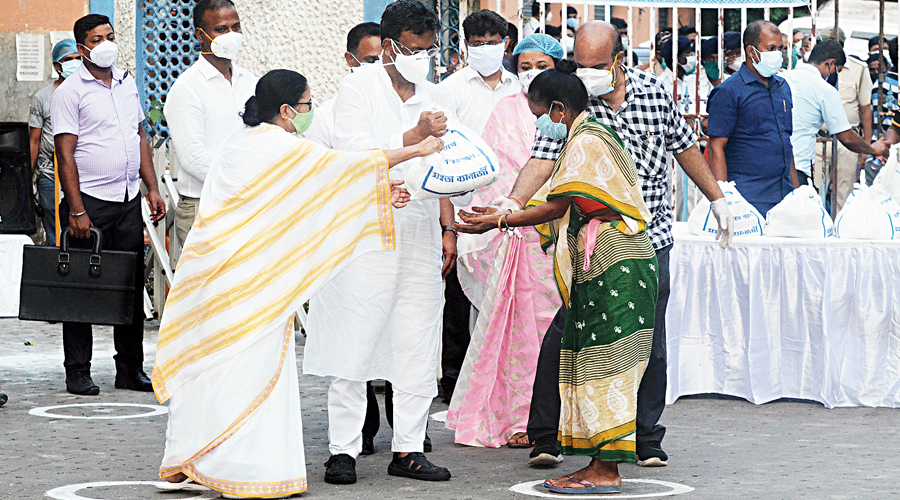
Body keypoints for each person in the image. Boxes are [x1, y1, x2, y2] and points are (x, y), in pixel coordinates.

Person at [154, 69, 441, 498]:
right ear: (287, 110)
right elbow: (342, 167)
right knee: (247, 370)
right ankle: (241, 467)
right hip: (247, 280)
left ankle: (189, 456)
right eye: (307, 105)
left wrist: (379, 193)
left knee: (208, 366)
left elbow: (316, 191)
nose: (310, 112)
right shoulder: (277, 146)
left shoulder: (243, 141)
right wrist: (417, 148)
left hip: (217, 273)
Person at [460, 21, 732, 469]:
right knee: (565, 332)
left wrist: (717, 200)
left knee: (649, 340)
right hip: (587, 243)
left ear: (620, 60)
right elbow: (543, 160)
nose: (587, 75)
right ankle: (546, 435)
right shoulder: (569, 104)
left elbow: (685, 149)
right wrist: (511, 201)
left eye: (597, 67)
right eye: (580, 65)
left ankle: (645, 438)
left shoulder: (653, 93)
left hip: (647, 239)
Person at [458, 62, 659, 494]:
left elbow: (555, 208)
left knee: (608, 364)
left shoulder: (586, 141)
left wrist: (500, 221)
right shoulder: (587, 135)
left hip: (615, 266)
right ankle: (598, 463)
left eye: (539, 118)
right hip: (609, 262)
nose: (539, 128)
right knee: (593, 362)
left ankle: (606, 470)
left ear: (557, 109)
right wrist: (506, 213)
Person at [304, 0, 455, 485]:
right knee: (355, 339)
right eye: (413, 49)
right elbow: (352, 155)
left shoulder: (435, 93)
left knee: (416, 342)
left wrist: (453, 214)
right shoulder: (357, 89)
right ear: (389, 47)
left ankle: (408, 448)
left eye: (429, 50)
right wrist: (413, 137)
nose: (422, 58)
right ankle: (342, 451)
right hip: (364, 236)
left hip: (418, 233)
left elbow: (449, 163)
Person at [445, 33, 564, 449]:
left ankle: (561, 420)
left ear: (558, 68)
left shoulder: (570, 112)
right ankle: (517, 417)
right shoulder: (505, 110)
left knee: (559, 332)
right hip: (517, 240)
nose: (532, 74)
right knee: (518, 333)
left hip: (564, 237)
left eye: (542, 67)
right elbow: (492, 175)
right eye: (526, 66)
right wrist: (505, 213)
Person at [51, 14, 166, 396]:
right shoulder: (70, 91)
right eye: (97, 39)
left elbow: (139, 138)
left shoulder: (126, 84)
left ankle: (130, 369)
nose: (105, 44)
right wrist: (77, 209)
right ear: (82, 47)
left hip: (128, 198)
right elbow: (64, 155)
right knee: (82, 287)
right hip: (92, 204)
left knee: (129, 286)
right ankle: (78, 371)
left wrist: (151, 187)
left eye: (110, 37)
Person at [438, 9, 520, 405]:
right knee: (458, 298)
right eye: (478, 42)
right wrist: (448, 223)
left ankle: (496, 378)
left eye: (493, 41)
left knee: (501, 295)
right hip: (464, 204)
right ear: (465, 45)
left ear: (506, 43)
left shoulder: (519, 89)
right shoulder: (450, 90)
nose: (486, 48)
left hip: (507, 209)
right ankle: (453, 380)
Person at [164, 0, 257, 247]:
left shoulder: (250, 82)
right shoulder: (187, 89)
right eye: (221, 29)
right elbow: (193, 159)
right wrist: (243, 183)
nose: (232, 36)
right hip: (205, 207)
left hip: (249, 204)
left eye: (236, 27)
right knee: (210, 285)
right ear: (200, 35)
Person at [707, 20, 799, 216]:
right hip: (747, 196)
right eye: (771, 48)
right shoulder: (728, 92)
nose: (778, 54)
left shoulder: (783, 88)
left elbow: (785, 141)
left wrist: (796, 193)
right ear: (751, 51)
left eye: (780, 48)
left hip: (783, 193)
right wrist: (724, 198)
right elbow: (716, 147)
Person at [782, 39, 887, 187]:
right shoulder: (824, 89)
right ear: (830, 64)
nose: (835, 76)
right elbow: (846, 137)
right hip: (799, 167)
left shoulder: (784, 78)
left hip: (774, 162)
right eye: (837, 70)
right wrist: (872, 149)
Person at [29, 39, 81, 246]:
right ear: (58, 66)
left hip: (81, 174)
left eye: (78, 59)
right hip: (50, 175)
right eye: (69, 60)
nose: (75, 63)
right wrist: (28, 178)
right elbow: (34, 140)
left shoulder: (86, 91)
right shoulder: (42, 97)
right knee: (55, 230)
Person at [305, 22, 381, 150]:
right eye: (371, 60)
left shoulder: (402, 106)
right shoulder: (324, 118)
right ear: (350, 59)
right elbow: (318, 168)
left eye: (385, 61)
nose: (380, 67)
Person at [833, 44, 874, 213]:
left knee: (845, 191)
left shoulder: (859, 69)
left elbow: (865, 109)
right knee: (814, 190)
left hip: (849, 139)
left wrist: (866, 146)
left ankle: (841, 231)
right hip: (819, 138)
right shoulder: (811, 68)